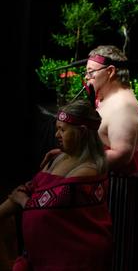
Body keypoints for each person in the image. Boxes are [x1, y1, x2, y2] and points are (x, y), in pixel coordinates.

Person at [1, 100, 112, 271]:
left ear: (82, 132)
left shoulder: (89, 170)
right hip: (45, 253)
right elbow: (33, 187)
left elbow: (46, 210)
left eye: (63, 130)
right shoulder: (59, 157)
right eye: (57, 129)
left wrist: (23, 200)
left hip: (73, 258)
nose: (56, 135)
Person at [86, 45, 138, 271]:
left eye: (91, 72)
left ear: (110, 71)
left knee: (114, 254)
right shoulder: (107, 98)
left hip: (118, 193)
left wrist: (78, 159)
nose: (87, 77)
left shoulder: (123, 107)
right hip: (102, 187)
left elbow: (122, 155)